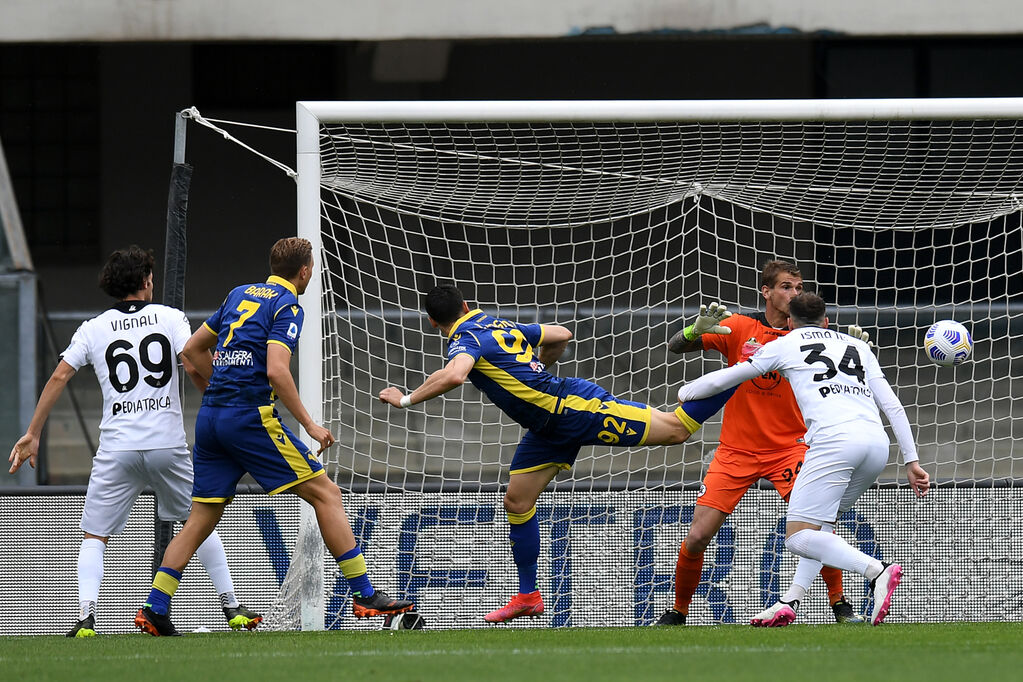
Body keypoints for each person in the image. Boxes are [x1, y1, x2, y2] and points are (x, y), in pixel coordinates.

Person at [378, 284, 736, 623]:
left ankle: (740, 371)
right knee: (517, 502)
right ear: (466, 306)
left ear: (431, 322)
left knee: (676, 430)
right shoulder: (494, 322)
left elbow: (455, 376)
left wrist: (406, 398)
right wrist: (535, 369)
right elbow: (561, 334)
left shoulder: (465, 339)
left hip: (573, 409)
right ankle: (528, 596)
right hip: (547, 427)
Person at [134, 237, 414, 636]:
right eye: (312, 268)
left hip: (212, 419)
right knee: (327, 494)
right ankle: (364, 594)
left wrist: (221, 385)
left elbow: (193, 350)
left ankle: (156, 608)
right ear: (303, 271)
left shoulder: (238, 293)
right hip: (249, 419)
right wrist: (311, 425)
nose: (312, 274)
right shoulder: (287, 305)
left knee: (200, 518)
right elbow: (277, 371)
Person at [9, 246, 261, 637]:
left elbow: (59, 377)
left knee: (95, 535)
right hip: (166, 444)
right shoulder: (170, 317)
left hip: (118, 448)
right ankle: (232, 608)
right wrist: (222, 394)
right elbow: (194, 364)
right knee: (200, 523)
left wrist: (33, 432)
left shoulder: (93, 328)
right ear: (146, 282)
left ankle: (86, 619)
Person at [678, 292, 930, 626]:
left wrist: (686, 393)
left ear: (791, 323)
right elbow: (893, 406)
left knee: (798, 537)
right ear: (826, 320)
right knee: (821, 526)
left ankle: (877, 571)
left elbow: (732, 376)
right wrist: (911, 461)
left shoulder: (786, 343)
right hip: (877, 446)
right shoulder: (858, 346)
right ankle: (790, 600)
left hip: (833, 444)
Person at [656, 259, 866, 627]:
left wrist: (856, 353)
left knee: (817, 529)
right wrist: (693, 331)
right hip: (735, 450)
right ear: (766, 292)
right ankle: (678, 611)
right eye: (786, 287)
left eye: (799, 288)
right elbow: (675, 346)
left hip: (791, 447)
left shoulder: (811, 334)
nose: (794, 294)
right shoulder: (739, 326)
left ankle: (840, 604)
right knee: (697, 536)